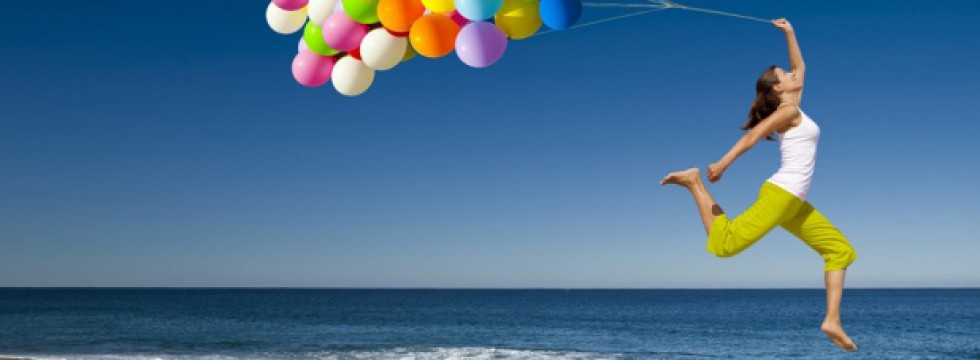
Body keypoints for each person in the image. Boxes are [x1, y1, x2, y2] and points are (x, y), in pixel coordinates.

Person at [659, 18, 858, 351]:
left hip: (794, 202)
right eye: (785, 76)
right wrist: (722, 163)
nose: (793, 75)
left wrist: (790, 32)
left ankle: (832, 320)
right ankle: (694, 182)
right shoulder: (788, 111)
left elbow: (800, 64)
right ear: (779, 89)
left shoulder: (796, 104)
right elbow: (752, 136)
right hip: (781, 195)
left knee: (840, 250)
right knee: (725, 246)